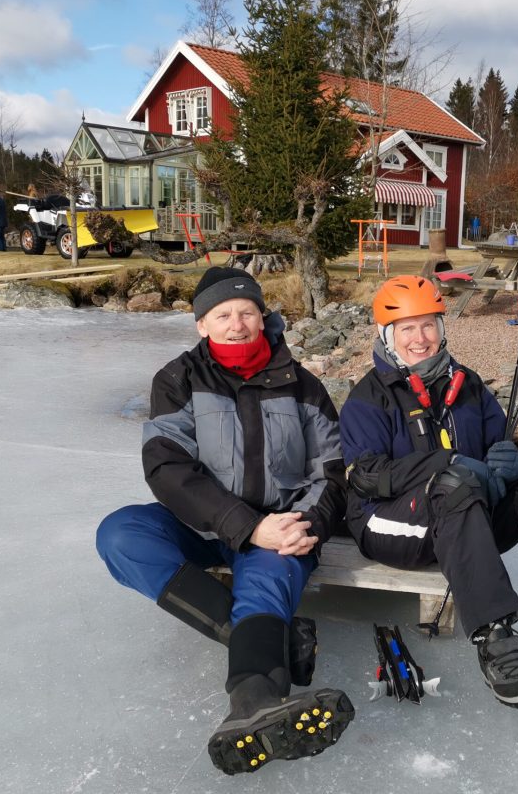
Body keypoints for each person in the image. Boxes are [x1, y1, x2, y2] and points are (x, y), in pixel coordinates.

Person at [96, 268, 354, 775]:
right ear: (201, 324)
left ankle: (253, 701)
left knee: (268, 573)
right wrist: (241, 523)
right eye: (222, 314)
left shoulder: (303, 385)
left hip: (280, 526)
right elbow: (166, 466)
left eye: (246, 312)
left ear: (264, 317)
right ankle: (276, 639)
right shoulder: (178, 380)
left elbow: (331, 472)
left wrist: (305, 523)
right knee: (120, 535)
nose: (236, 323)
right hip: (201, 525)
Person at [339, 275, 518, 709]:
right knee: (455, 485)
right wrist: (444, 463)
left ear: (442, 329)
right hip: (388, 525)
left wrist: (512, 464)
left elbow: (493, 450)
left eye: (428, 325)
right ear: (387, 337)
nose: (420, 338)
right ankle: (496, 642)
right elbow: (366, 477)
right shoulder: (368, 398)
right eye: (406, 329)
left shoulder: (466, 385)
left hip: (463, 517)